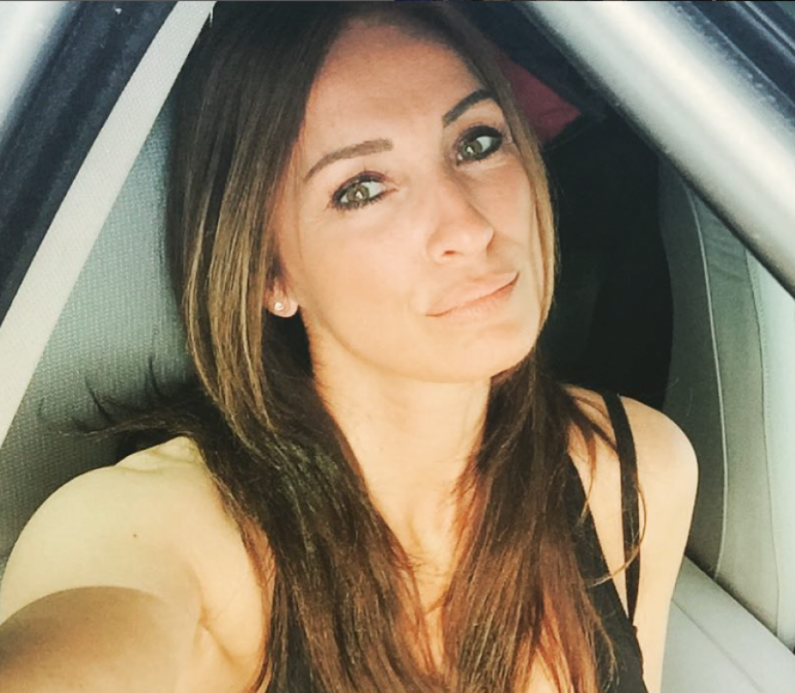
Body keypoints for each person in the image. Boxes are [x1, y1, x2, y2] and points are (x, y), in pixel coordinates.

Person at [0, 4, 697, 693]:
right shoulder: (164, 531)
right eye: (362, 189)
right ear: (270, 273)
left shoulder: (632, 466)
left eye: (478, 142)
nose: (467, 226)